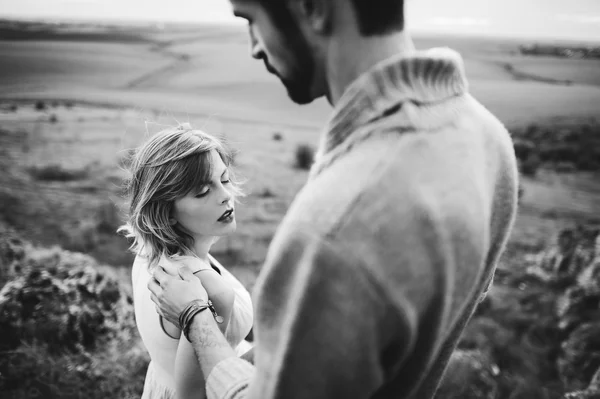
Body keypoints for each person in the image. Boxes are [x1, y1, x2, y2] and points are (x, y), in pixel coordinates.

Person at [149, 0, 519, 398]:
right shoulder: (487, 138)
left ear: (314, 8)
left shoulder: (336, 227)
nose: (255, 46)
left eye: (252, 20)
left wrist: (195, 316)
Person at [119, 124, 253, 399]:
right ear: (166, 212)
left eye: (224, 180)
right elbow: (195, 394)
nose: (225, 195)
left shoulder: (151, 250)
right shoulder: (200, 288)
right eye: (203, 192)